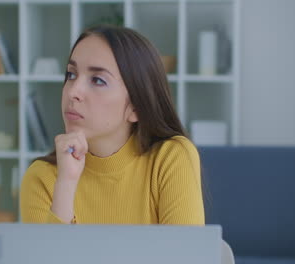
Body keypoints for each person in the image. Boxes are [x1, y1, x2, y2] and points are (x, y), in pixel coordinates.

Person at [20, 25, 204, 225]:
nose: (73, 91)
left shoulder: (171, 158)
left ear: (136, 107)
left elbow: (184, 255)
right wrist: (66, 184)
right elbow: (47, 257)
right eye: (71, 74)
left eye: (98, 80)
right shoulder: (41, 177)